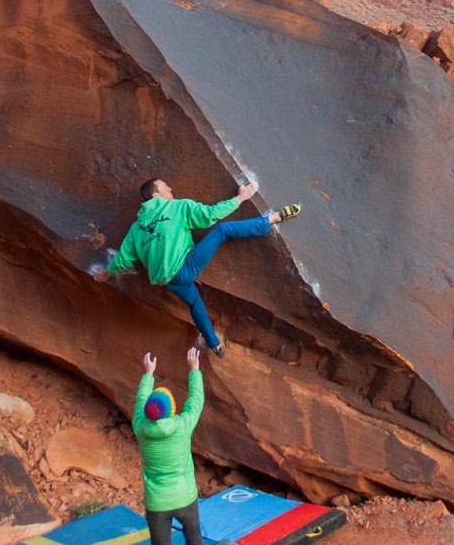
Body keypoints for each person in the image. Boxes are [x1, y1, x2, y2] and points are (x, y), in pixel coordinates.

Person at [93, 177, 300, 357]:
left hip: (168, 281)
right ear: (156, 194)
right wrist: (240, 198)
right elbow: (210, 214)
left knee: (195, 305)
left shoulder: (136, 229)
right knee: (223, 230)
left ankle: (214, 345)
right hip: (185, 267)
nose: (170, 189)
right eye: (165, 187)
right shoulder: (176, 207)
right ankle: (273, 219)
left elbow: (122, 260)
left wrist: (105, 273)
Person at [134, 347, 204, 545]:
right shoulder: (182, 426)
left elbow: (140, 401)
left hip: (157, 501)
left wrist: (148, 374)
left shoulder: (140, 426)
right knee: (194, 537)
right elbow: (195, 402)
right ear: (172, 409)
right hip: (185, 496)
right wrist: (194, 370)